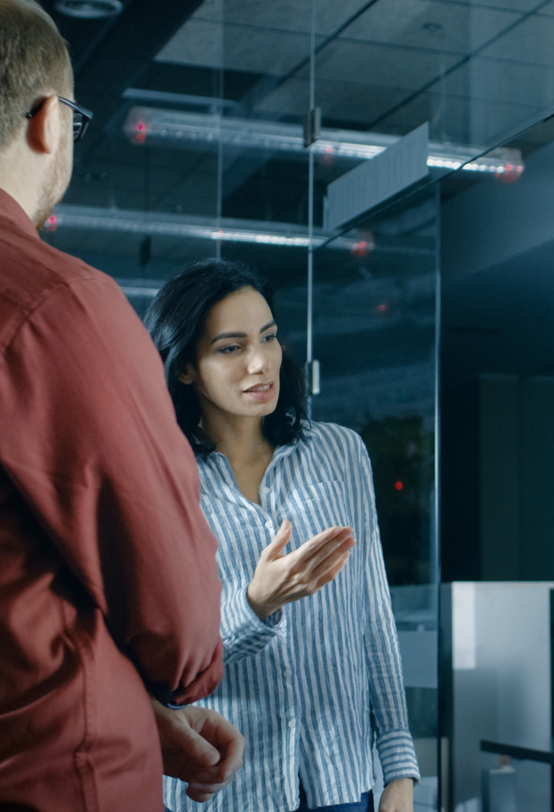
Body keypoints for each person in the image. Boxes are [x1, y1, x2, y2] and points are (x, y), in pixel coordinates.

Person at [0, 2, 245, 808]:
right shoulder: (55, 305)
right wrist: (161, 691)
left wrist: (135, 711)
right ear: (46, 121)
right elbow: (173, 611)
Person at [146, 260, 420, 812]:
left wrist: (400, 769)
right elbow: (162, 663)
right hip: (224, 791)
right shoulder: (156, 479)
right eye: (231, 347)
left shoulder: (341, 453)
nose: (260, 362)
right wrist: (255, 603)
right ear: (185, 369)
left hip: (343, 783)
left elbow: (373, 615)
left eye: (268, 337)